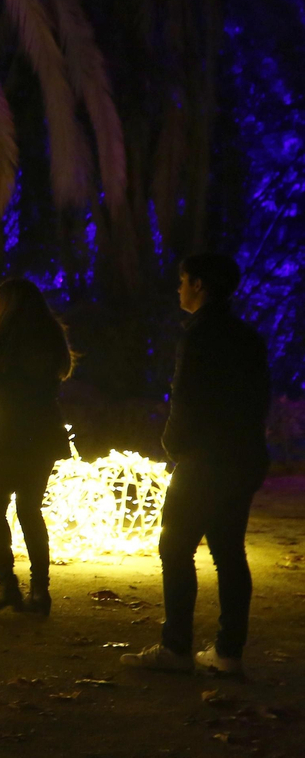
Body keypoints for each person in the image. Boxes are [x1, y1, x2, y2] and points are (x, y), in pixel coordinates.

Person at [123, 254, 271, 676]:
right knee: (228, 552)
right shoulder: (248, 337)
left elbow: (185, 398)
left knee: (175, 546)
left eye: (184, 280)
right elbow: (257, 401)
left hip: (203, 460)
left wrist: (173, 444)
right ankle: (228, 653)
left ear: (200, 286)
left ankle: (176, 648)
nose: (179, 288)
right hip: (241, 458)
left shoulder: (200, 335)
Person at [0, 277, 74, 617]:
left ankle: (7, 585)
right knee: (30, 510)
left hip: (8, 436)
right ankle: (40, 591)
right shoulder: (52, 337)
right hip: (43, 434)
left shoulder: (2, 342)